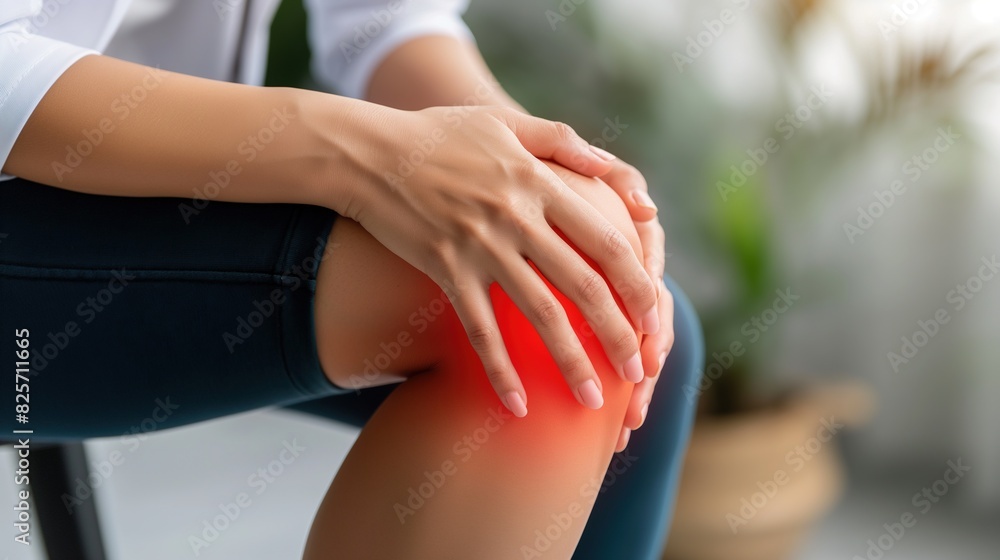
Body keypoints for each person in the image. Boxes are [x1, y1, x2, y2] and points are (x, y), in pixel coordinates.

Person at [0, 1, 703, 558]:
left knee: (605, 306)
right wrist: (363, 154)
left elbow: (387, 22)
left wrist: (543, 179)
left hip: (146, 181)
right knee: (527, 310)